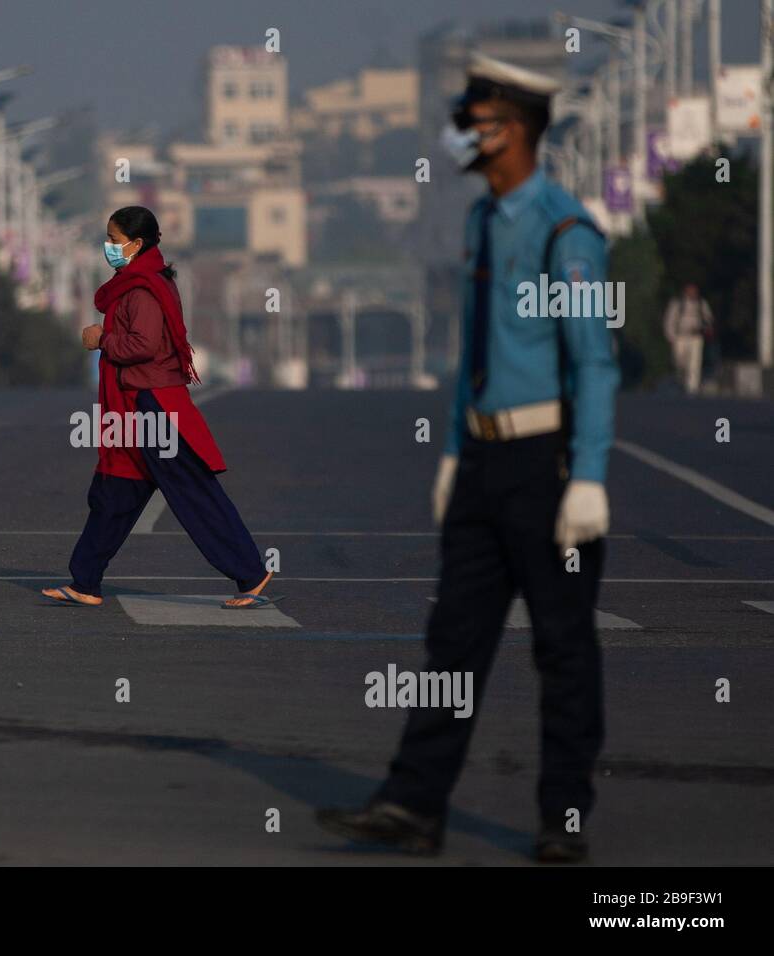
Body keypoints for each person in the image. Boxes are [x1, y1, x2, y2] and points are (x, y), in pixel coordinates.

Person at [315, 55, 620, 863]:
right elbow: (474, 352)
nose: (460, 131)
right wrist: (454, 452)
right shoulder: (485, 221)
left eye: (473, 117)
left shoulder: (567, 230)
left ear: (511, 129)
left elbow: (594, 360)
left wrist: (587, 473)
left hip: (545, 465)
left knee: (562, 646)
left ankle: (565, 819)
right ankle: (414, 804)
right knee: (452, 642)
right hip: (485, 463)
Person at [41, 206, 275, 610]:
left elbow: (144, 346)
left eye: (115, 240)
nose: (109, 247)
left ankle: (251, 574)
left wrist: (103, 340)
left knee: (192, 492)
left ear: (137, 243)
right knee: (114, 492)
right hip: (132, 405)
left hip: (152, 407)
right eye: (109, 239)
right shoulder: (134, 282)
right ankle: (86, 581)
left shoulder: (142, 288)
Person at [663, 283, 714, 394]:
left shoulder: (701, 303)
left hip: (695, 337)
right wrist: (671, 336)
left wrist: (704, 329)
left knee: (694, 363)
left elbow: (708, 319)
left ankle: (692, 388)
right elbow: (670, 320)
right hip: (680, 337)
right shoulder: (677, 303)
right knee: (679, 362)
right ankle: (681, 382)